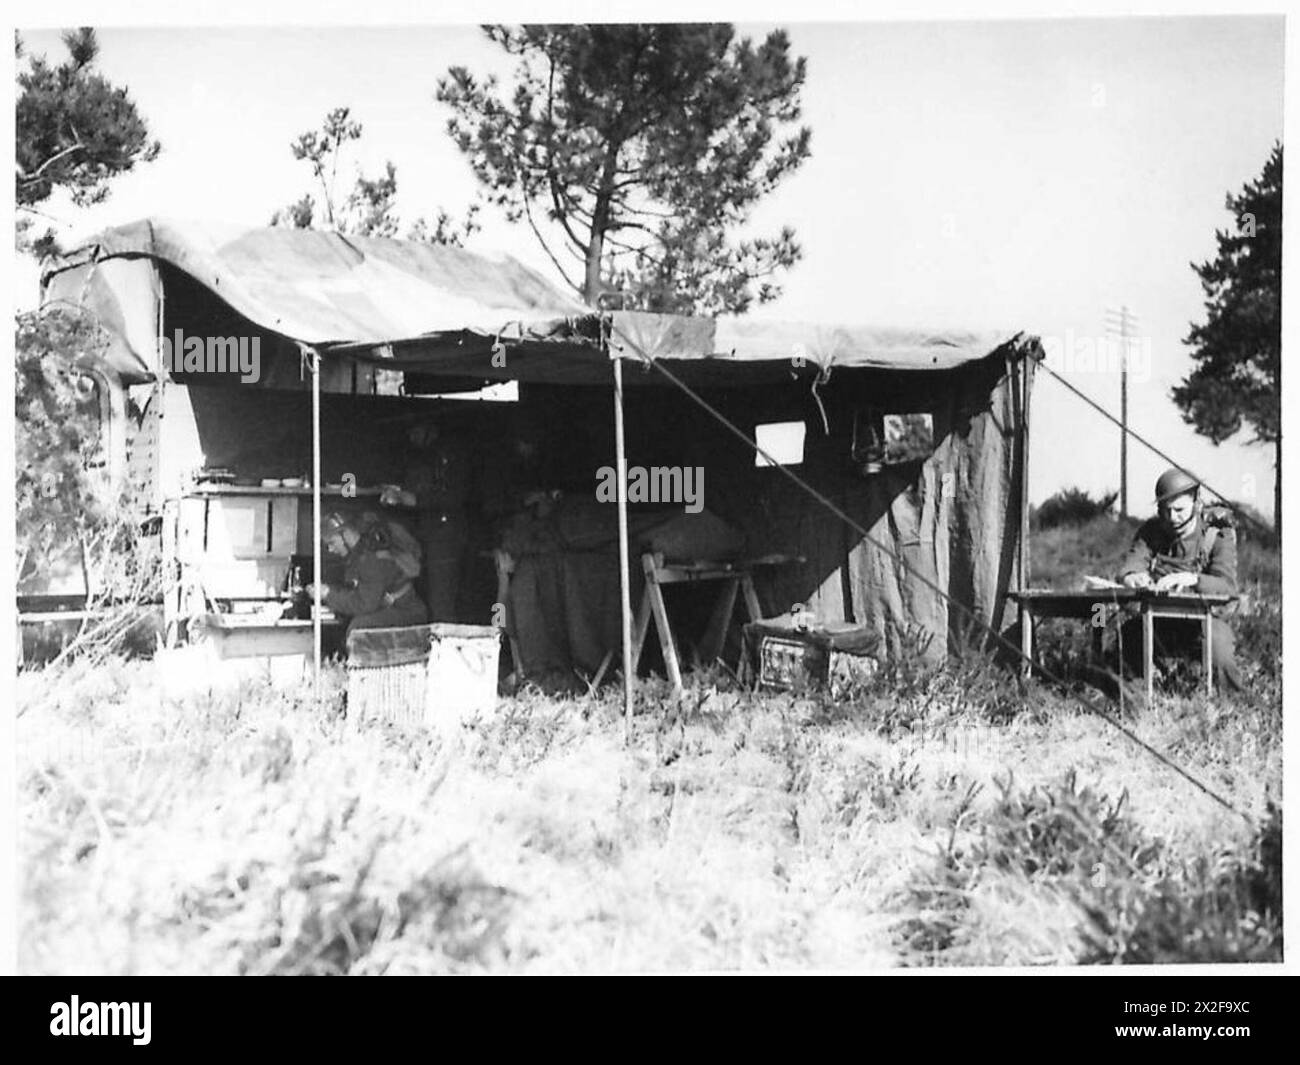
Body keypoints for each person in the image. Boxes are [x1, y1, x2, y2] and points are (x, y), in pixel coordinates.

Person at [1114, 467, 1245, 693]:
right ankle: (1132, 701)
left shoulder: (1216, 536)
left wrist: (1193, 579)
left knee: (1220, 649)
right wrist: (1132, 577)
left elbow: (1227, 587)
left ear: (1196, 501)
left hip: (1202, 623)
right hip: (1157, 620)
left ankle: (1231, 706)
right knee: (1125, 635)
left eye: (1179, 510)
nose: (1172, 518)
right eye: (1165, 511)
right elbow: (1130, 565)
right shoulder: (1151, 532)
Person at [380, 421, 476, 622]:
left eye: (416, 431)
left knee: (441, 601)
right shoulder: (419, 457)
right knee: (428, 600)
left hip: (445, 537)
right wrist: (398, 494)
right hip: (424, 537)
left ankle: (444, 641)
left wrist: (415, 499)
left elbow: (455, 496)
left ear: (429, 430)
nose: (412, 437)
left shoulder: (450, 455)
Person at [306, 511, 428, 635]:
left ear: (346, 534)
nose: (330, 549)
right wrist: (329, 591)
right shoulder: (359, 553)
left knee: (358, 628)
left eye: (332, 542)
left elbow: (364, 604)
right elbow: (356, 589)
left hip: (407, 612)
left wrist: (328, 594)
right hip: (393, 608)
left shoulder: (370, 559)